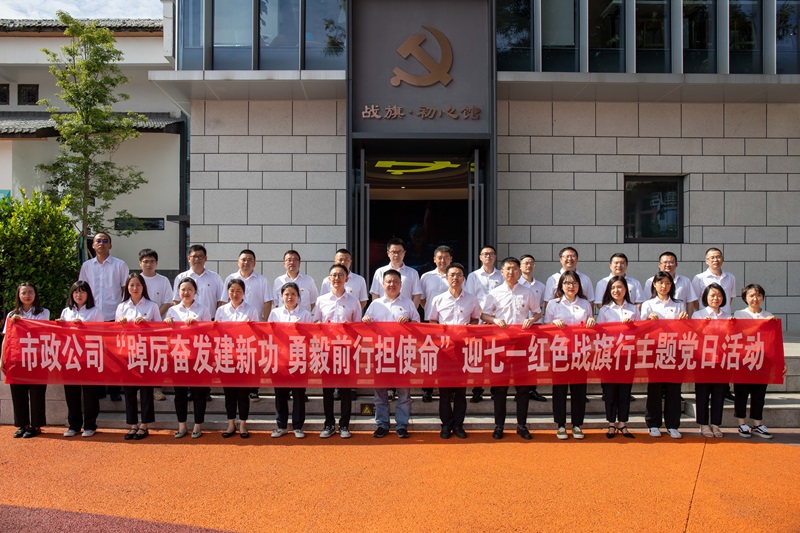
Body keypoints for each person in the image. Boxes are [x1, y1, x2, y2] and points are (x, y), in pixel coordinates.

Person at [480, 257, 542, 440]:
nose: (511, 272)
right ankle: (499, 425)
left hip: (522, 345)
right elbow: (484, 315)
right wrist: (494, 320)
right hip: (500, 346)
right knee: (500, 388)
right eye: (508, 269)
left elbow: (538, 312)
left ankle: (522, 425)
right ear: (502, 271)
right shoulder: (494, 293)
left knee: (523, 388)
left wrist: (532, 319)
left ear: (519, 271)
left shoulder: (527, 292)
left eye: (515, 269)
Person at [363, 269, 420, 439]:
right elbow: (364, 327)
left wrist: (409, 322)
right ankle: (382, 424)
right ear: (383, 284)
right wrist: (365, 321)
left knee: (404, 393)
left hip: (402, 354)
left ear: (401, 285)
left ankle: (401, 425)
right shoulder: (375, 304)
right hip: (380, 354)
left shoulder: (408, 303)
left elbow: (418, 326)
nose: (392, 284)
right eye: (388, 281)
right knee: (380, 393)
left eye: (395, 281)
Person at [428, 263, 481, 439]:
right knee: (444, 392)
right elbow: (432, 322)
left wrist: (470, 327)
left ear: (463, 278)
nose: (455, 278)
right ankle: (445, 425)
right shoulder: (438, 299)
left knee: (460, 391)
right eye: (452, 275)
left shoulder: (472, 299)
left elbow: (476, 320)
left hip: (463, 350)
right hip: (443, 351)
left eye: (459, 275)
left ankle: (458, 425)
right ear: (446, 278)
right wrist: (440, 328)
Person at [544, 271, 595, 440]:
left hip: (580, 353)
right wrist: (553, 323)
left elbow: (591, 325)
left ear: (579, 286)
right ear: (561, 286)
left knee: (578, 390)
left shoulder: (585, 304)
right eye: (566, 283)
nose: (570, 286)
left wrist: (591, 322)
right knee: (559, 389)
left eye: (574, 283)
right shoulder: (554, 304)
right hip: (560, 353)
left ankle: (577, 424)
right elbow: (545, 327)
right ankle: (560, 424)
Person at [312, 264, 362, 439]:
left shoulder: (353, 301)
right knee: (327, 389)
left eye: (340, 275)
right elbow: (315, 323)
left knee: (346, 389)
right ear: (329, 279)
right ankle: (329, 423)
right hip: (326, 350)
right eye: (334, 275)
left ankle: (344, 424)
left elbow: (358, 327)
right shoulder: (321, 300)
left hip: (346, 350)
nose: (337, 278)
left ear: (346, 278)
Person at [79, 232, 129, 402]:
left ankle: (114, 389)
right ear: (93, 245)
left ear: (110, 245)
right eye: (98, 241)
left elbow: (125, 290)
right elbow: (82, 290)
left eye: (105, 241)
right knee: (95, 353)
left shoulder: (120, 265)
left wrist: (122, 312)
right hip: (92, 317)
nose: (101, 243)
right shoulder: (86, 266)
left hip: (113, 315)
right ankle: (99, 388)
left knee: (114, 354)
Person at [640, 271, 689, 439]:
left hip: (674, 350)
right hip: (655, 350)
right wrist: (648, 319)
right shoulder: (648, 304)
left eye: (667, 283)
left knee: (673, 389)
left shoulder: (679, 304)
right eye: (660, 283)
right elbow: (641, 328)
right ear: (654, 284)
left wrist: (684, 320)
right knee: (655, 388)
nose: (664, 286)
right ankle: (653, 424)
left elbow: (684, 329)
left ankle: (672, 425)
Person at [733, 284, 783, 439]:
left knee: (759, 393)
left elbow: (774, 341)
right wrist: (763, 323)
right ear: (745, 298)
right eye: (751, 295)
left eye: (758, 295)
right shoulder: (740, 314)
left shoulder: (768, 315)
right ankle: (742, 423)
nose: (755, 298)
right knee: (741, 393)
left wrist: (781, 361)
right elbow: (743, 333)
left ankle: (757, 424)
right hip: (744, 359)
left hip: (762, 360)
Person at [0, 282, 50, 438]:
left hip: (37, 358)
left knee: (37, 393)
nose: (27, 295)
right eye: (24, 292)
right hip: (16, 359)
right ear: (18, 295)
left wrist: (21, 321)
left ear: (35, 294)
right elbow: (6, 338)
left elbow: (41, 329)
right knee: (18, 392)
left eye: (30, 292)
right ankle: (22, 424)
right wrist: (2, 358)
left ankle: (36, 425)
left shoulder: (43, 312)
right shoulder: (11, 314)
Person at [116, 273, 163, 441]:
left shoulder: (152, 306)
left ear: (143, 287)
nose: (135, 288)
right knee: (129, 391)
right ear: (127, 288)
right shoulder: (122, 307)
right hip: (127, 353)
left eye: (138, 285)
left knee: (146, 390)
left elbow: (159, 330)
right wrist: (121, 324)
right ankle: (132, 424)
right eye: (131, 285)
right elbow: (115, 333)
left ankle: (144, 425)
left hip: (145, 353)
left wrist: (146, 324)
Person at [223, 249, 274, 401]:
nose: (246, 262)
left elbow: (267, 301)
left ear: (255, 263)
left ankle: (253, 389)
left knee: (253, 357)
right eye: (243, 259)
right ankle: (234, 385)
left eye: (250, 260)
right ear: (238, 262)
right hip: (232, 329)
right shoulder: (230, 278)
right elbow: (223, 300)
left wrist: (263, 323)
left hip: (254, 326)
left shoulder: (261, 280)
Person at [164, 277, 211, 439]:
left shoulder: (203, 310)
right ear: (178, 292)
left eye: (190, 289)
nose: (186, 292)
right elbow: (167, 335)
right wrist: (167, 323)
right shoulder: (172, 311)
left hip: (198, 356)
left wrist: (198, 324)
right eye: (183, 289)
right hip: (178, 357)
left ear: (195, 291)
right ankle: (182, 425)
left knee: (199, 393)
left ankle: (198, 425)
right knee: (180, 394)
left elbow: (209, 332)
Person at [57, 281, 103, 438]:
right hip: (70, 357)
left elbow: (101, 334)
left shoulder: (95, 311)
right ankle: (74, 425)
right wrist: (61, 326)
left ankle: (90, 425)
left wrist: (83, 326)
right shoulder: (66, 311)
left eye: (82, 292)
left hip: (88, 357)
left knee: (90, 393)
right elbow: (61, 336)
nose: (79, 295)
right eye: (76, 292)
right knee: (71, 393)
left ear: (88, 294)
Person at [320, 248, 367, 401]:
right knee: (328, 382)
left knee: (347, 381)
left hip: (347, 343)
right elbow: (317, 320)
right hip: (327, 344)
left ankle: (346, 416)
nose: (337, 278)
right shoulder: (322, 297)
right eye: (334, 275)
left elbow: (358, 322)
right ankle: (329, 415)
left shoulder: (355, 295)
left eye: (346, 259)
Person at [216, 278, 260, 439]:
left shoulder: (251, 310)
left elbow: (258, 334)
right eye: (232, 291)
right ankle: (230, 424)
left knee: (243, 394)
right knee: (229, 394)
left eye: (238, 291)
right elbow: (217, 333)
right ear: (227, 292)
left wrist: (252, 327)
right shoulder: (221, 310)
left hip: (244, 358)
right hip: (226, 358)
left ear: (244, 292)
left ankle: (242, 424)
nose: (235, 294)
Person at [270, 282, 313, 439]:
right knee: (280, 393)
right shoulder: (275, 313)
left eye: (293, 294)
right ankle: (281, 426)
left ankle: (298, 426)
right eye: (287, 294)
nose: (290, 297)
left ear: (298, 297)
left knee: (299, 394)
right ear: (281, 296)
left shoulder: (305, 314)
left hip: (299, 359)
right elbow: (270, 335)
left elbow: (309, 336)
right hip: (280, 359)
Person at [596, 276, 638, 439]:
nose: (616, 291)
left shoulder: (633, 309)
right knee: (610, 391)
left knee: (625, 391)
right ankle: (611, 423)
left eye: (620, 287)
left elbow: (641, 330)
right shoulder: (605, 310)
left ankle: (623, 423)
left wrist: (631, 326)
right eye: (613, 288)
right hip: (610, 355)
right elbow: (600, 332)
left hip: (628, 355)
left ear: (626, 290)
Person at [692, 283, 731, 438]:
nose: (716, 298)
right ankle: (703, 424)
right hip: (703, 360)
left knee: (719, 393)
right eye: (712, 295)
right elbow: (692, 336)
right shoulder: (698, 315)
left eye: (719, 295)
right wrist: (701, 326)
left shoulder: (727, 316)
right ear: (706, 297)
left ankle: (715, 424)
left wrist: (732, 326)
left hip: (722, 360)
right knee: (702, 393)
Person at [464, 245, 503, 403]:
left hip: (497, 321)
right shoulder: (473, 276)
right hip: (478, 321)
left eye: (491, 254)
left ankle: (495, 389)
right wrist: (482, 314)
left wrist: (493, 316)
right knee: (478, 356)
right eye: (485, 254)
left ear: (495, 257)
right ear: (480, 257)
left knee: (496, 355)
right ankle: (477, 389)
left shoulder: (501, 275)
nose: (488, 256)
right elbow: (471, 298)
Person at [138, 248, 173, 402]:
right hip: (138, 327)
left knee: (157, 357)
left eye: (152, 261)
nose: (149, 264)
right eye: (145, 261)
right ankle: (140, 388)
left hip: (158, 327)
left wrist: (154, 317)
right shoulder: (136, 280)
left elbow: (168, 302)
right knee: (140, 357)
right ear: (140, 263)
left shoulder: (163, 280)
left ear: (156, 263)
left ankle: (156, 387)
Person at [419, 245, 453, 402]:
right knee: (429, 356)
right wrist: (431, 312)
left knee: (449, 357)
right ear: (434, 259)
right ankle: (428, 389)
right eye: (439, 257)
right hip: (430, 322)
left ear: (451, 259)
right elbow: (422, 299)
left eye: (446, 258)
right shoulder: (426, 277)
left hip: (450, 323)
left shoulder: (456, 275)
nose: (442, 261)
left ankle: (449, 388)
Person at [519, 254, 547, 402]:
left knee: (533, 359)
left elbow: (540, 307)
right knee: (519, 360)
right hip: (518, 327)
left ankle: (532, 389)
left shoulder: (540, 286)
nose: (528, 266)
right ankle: (520, 389)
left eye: (531, 263)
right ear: (520, 266)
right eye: (525, 263)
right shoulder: (516, 284)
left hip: (535, 326)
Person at [172, 244, 225, 316]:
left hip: (210, 319)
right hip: (186, 320)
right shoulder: (181, 277)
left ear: (205, 258)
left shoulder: (215, 278)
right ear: (189, 258)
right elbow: (176, 300)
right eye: (194, 256)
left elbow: (220, 301)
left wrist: (217, 317)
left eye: (200, 256)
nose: (197, 259)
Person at [369, 238, 423, 308]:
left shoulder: (413, 273)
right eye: (393, 252)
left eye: (399, 252)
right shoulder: (380, 272)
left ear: (404, 253)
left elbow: (417, 295)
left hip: (405, 313)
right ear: (388, 253)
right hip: (384, 312)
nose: (396, 255)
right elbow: (375, 294)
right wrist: (378, 310)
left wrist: (411, 312)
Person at [644, 251, 699, 316]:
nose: (668, 265)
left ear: (676, 264)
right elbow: (647, 300)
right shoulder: (650, 281)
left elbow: (690, 301)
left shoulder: (685, 281)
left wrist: (688, 319)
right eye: (665, 262)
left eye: (671, 262)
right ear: (659, 265)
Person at [692, 248, 736, 315]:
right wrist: (701, 313)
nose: (715, 260)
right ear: (707, 261)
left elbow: (730, 298)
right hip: (706, 317)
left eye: (718, 257)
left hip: (725, 316)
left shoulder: (730, 277)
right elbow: (694, 300)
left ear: (722, 259)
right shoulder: (699, 278)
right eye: (712, 258)